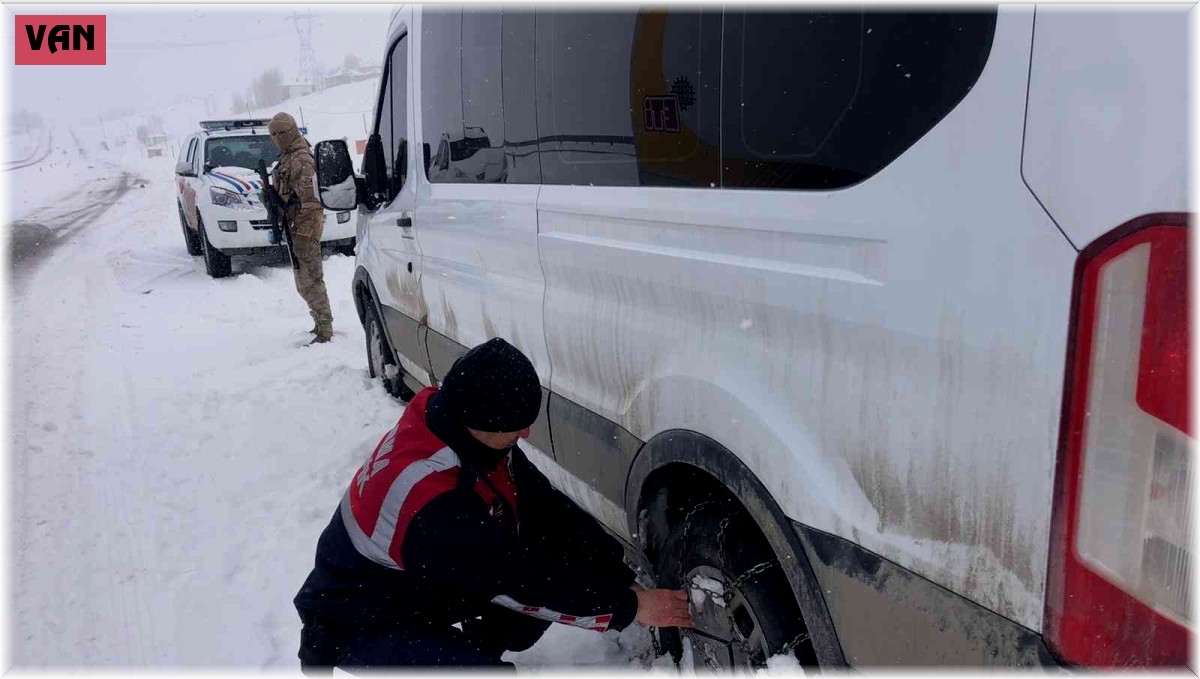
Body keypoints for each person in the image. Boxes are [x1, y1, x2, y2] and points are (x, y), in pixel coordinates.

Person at [294, 338, 693, 672]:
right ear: (481, 423)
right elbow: (519, 581)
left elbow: (544, 507)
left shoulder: (455, 420)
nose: (526, 431)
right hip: (359, 619)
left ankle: (469, 642)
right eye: (516, 425)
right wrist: (630, 607)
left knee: (544, 561)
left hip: (416, 582)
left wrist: (615, 572)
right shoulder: (430, 502)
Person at [266, 112, 333, 344]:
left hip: (305, 227)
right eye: (273, 134)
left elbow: (312, 203)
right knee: (303, 281)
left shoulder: (301, 159)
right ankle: (319, 323)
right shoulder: (288, 158)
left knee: (311, 279)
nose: (277, 138)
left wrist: (304, 234)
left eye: (281, 132)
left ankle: (325, 329)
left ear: (292, 130)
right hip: (295, 226)